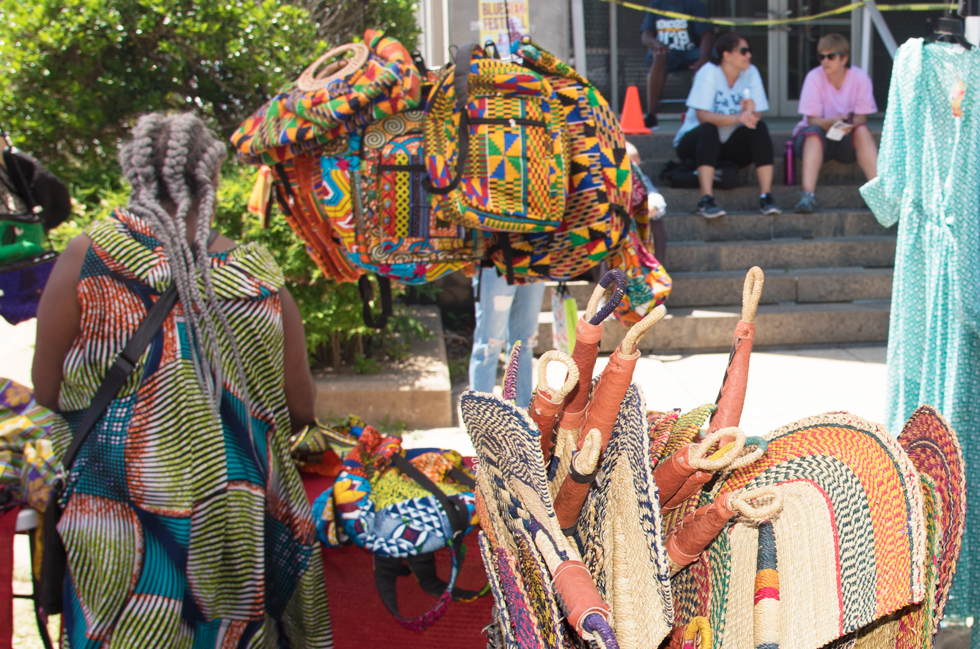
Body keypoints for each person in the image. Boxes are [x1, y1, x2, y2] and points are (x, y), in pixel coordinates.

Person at [31, 113, 333, 647]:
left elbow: (48, 392)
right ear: (212, 178)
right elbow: (300, 407)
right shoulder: (256, 275)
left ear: (134, 173)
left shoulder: (88, 256)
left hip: (115, 515)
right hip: (232, 519)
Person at [673, 32, 780, 218]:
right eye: (743, 51)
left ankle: (766, 197)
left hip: (729, 143)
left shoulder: (751, 72)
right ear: (726, 55)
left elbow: (757, 113)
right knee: (709, 130)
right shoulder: (709, 72)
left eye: (750, 51)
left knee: (760, 128)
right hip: (694, 142)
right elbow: (702, 116)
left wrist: (752, 112)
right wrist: (738, 117)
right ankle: (706, 200)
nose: (749, 56)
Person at [792, 33, 878, 213]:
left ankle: (879, 196)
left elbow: (862, 117)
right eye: (821, 56)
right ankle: (807, 196)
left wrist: (848, 126)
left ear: (844, 58)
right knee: (814, 131)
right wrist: (830, 122)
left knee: (862, 131)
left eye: (830, 56)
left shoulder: (860, 78)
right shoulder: (813, 77)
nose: (825, 61)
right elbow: (811, 120)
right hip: (814, 139)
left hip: (845, 138)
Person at [469, 266, 545, 408]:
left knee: (525, 343)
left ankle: (522, 417)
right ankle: (481, 418)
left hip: (534, 261)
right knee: (490, 345)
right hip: (494, 262)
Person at [640, 0, 713, 130]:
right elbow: (646, 35)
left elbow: (706, 35)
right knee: (658, 55)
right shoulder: (656, 4)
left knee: (712, 57)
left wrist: (702, 59)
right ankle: (651, 115)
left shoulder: (695, 4)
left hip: (690, 53)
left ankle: (704, 114)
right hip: (667, 53)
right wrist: (656, 44)